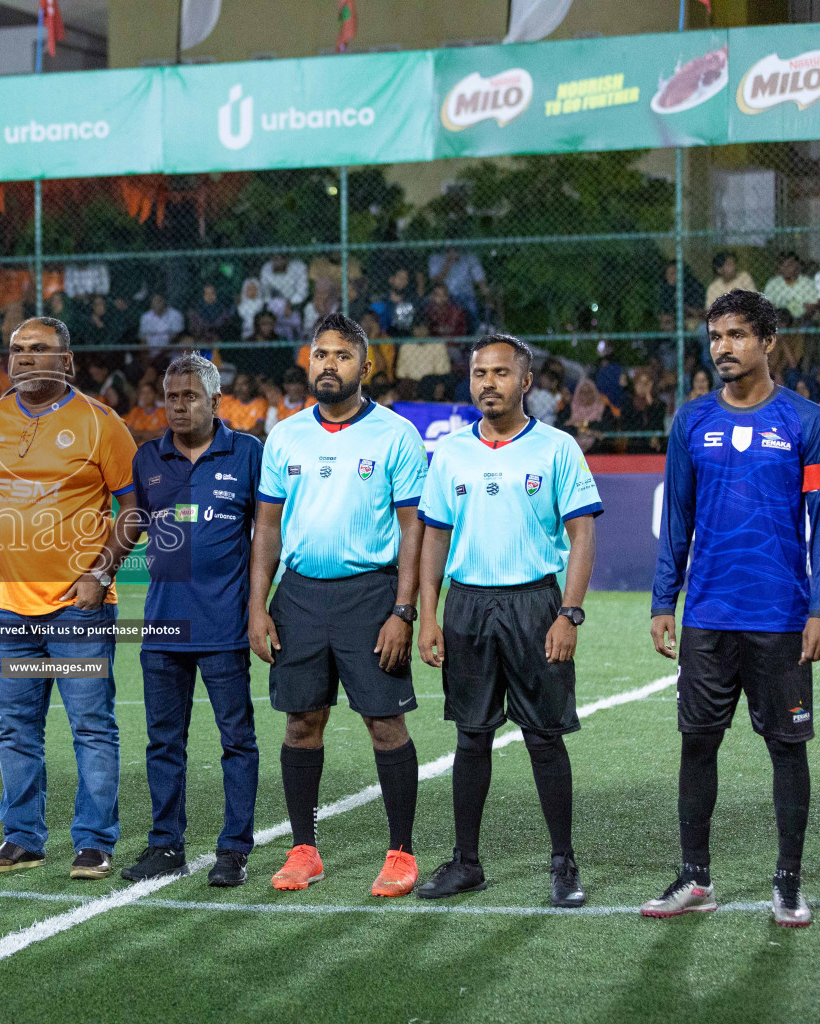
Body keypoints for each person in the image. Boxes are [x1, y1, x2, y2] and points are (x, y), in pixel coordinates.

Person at [644, 289, 818, 927]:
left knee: (787, 749)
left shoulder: (805, 420)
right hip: (708, 617)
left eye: (738, 335)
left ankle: (788, 884)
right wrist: (666, 600)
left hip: (780, 617)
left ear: (768, 342)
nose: (723, 347)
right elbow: (679, 521)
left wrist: (819, 608)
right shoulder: (690, 420)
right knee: (697, 745)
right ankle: (695, 879)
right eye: (716, 336)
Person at [415, 334, 601, 907]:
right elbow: (434, 538)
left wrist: (569, 612)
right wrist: (428, 614)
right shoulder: (449, 453)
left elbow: (582, 533)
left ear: (525, 382)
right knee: (471, 737)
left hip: (534, 604)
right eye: (478, 373)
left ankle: (564, 863)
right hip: (468, 605)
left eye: (499, 373)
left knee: (544, 738)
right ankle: (466, 863)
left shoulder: (556, 448)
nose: (487, 383)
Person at [249, 314, 429, 897]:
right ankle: (305, 849)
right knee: (302, 722)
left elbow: (412, 530)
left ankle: (401, 853)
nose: (328, 364)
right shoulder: (286, 435)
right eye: (320, 354)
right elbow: (268, 529)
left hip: (371, 595)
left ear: (365, 367)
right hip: (298, 595)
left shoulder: (396, 435)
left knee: (384, 722)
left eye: (342, 355)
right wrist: (259, 605)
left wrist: (404, 611)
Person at [0, 316, 140, 880]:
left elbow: (133, 510)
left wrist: (101, 575)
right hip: (10, 610)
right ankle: (22, 839)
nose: (26, 358)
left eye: (40, 349)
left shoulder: (101, 424)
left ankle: (93, 842)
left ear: (67, 360)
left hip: (77, 612)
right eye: (17, 349)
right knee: (16, 730)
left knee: (90, 727)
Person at [123, 352, 262, 887]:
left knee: (237, 740)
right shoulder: (148, 458)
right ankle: (165, 845)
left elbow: (266, 535)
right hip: (163, 625)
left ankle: (234, 849)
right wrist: (99, 573)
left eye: (190, 397)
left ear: (214, 401)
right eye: (171, 397)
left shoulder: (247, 453)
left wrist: (260, 608)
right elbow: (133, 523)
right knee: (163, 741)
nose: (178, 407)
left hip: (225, 625)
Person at [763, 252, 820, 323]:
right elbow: (769, 306)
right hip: (780, 319)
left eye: (790, 264)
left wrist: (800, 320)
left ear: (798, 265)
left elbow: (811, 306)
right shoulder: (773, 283)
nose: (786, 267)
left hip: (802, 319)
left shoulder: (807, 283)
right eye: (783, 264)